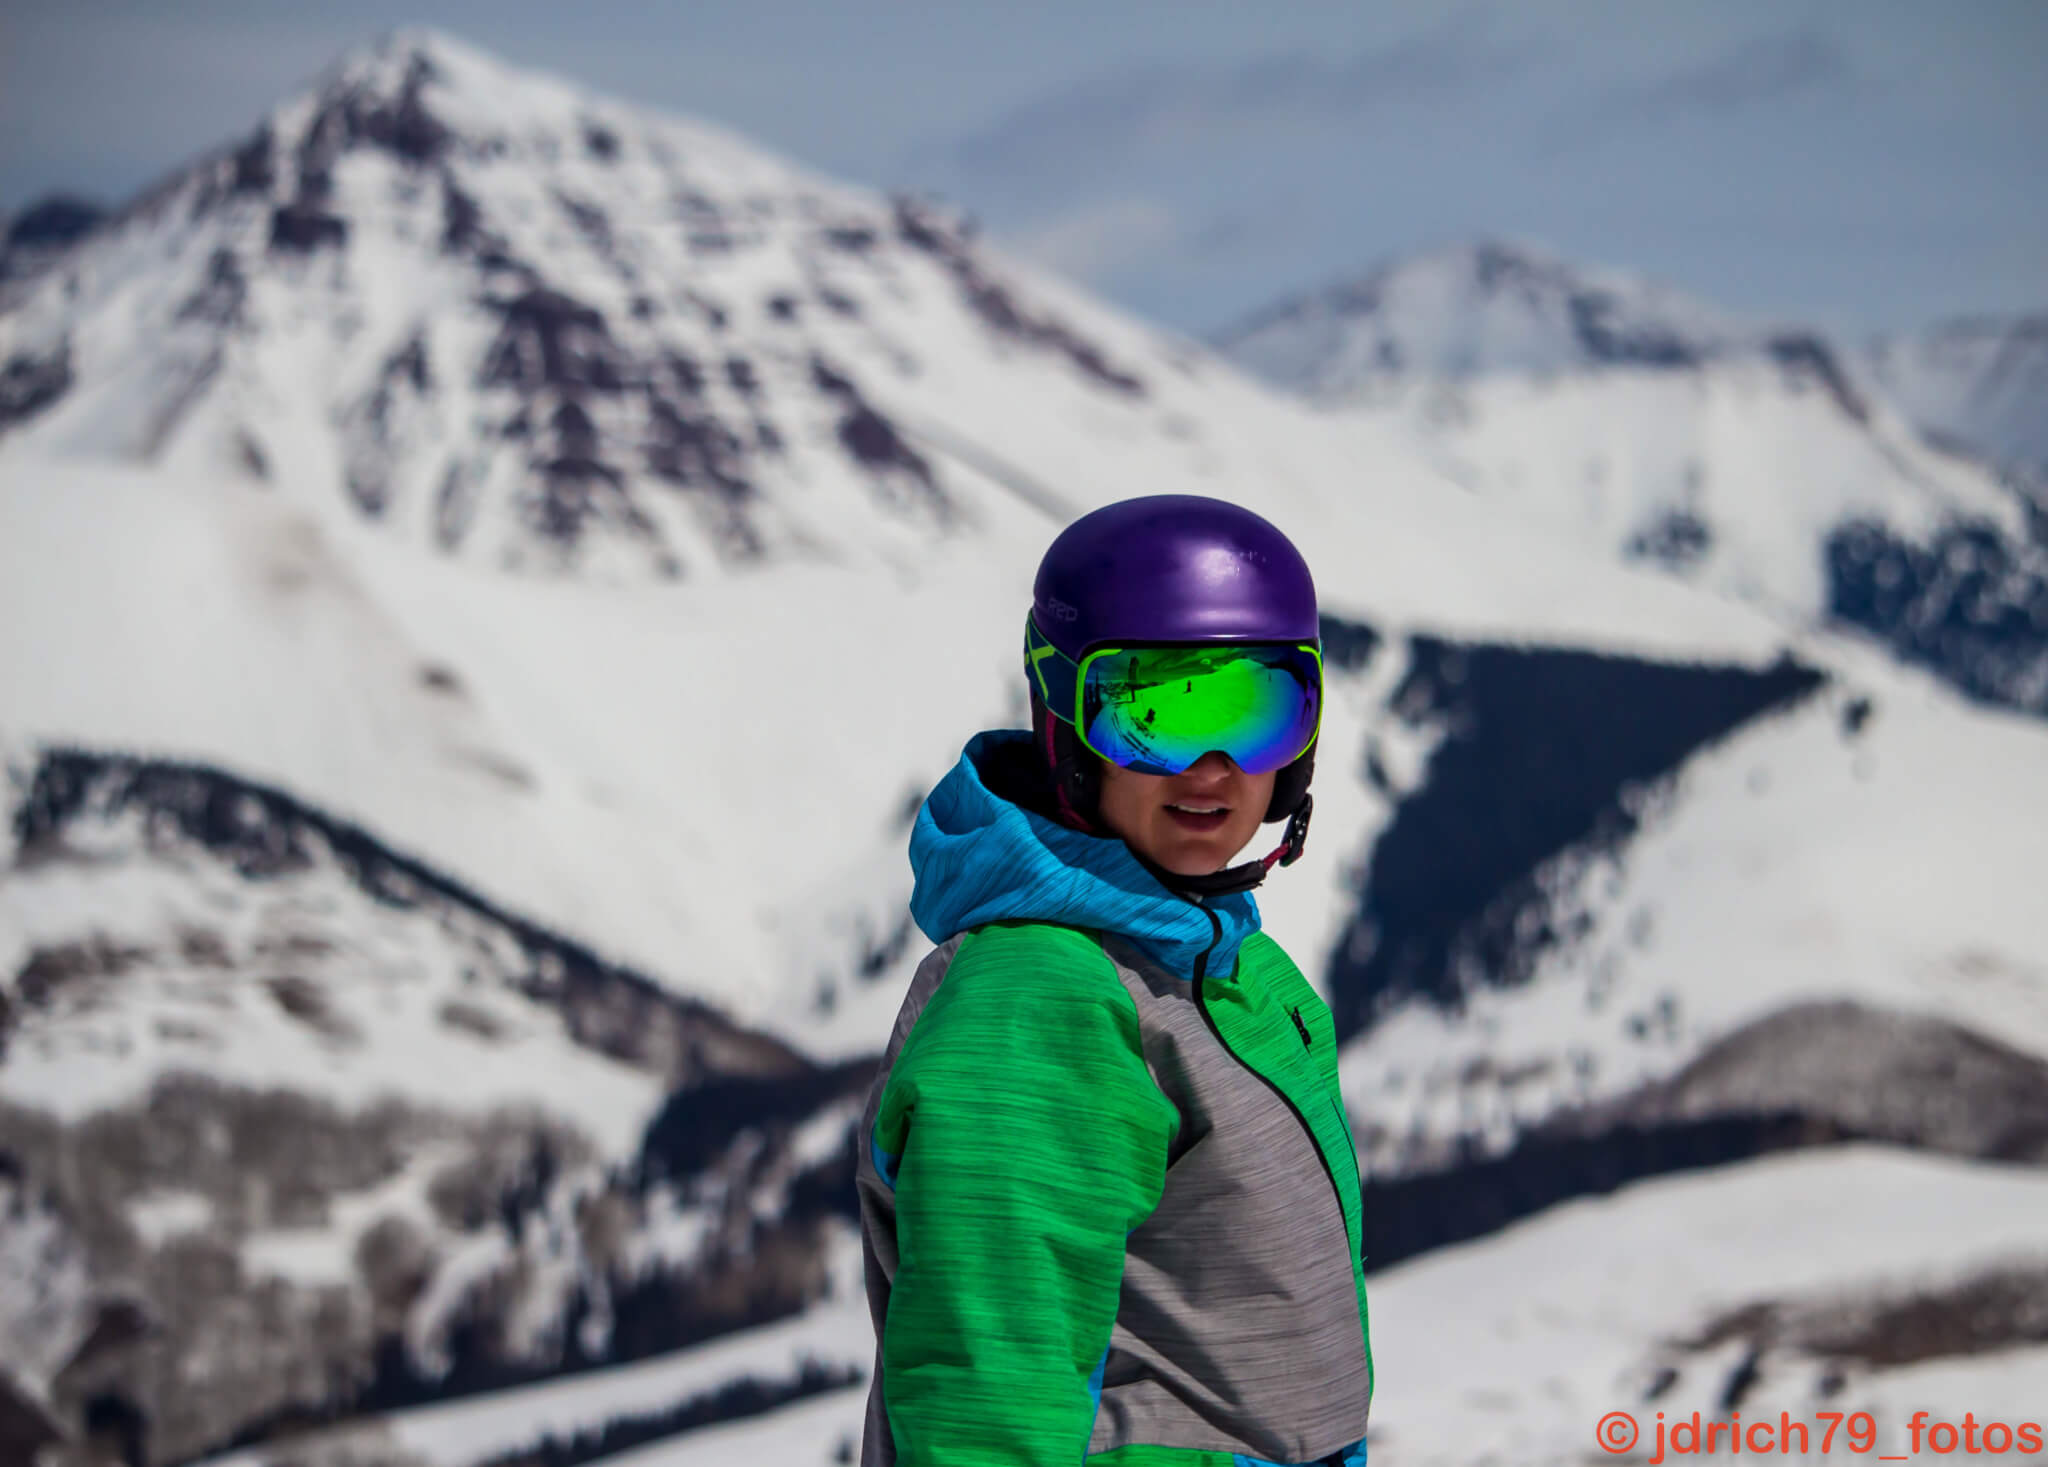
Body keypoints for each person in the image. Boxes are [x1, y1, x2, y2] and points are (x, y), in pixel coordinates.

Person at [854, 494, 1374, 1467]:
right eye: (1156, 713)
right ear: (1068, 723)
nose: (1213, 765)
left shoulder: (1224, 963)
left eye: (1254, 712)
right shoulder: (1041, 1000)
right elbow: (985, 1403)